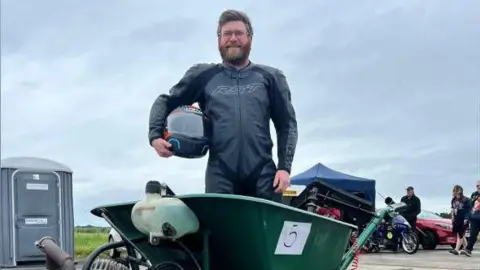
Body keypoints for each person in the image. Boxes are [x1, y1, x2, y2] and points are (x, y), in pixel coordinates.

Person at [148, 9, 298, 203]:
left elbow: (287, 124)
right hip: (220, 173)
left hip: (264, 174)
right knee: (219, 232)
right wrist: (155, 136)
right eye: (227, 34)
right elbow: (166, 101)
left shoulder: (271, 77)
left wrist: (284, 168)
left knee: (270, 231)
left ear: (249, 38)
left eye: (239, 33)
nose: (233, 38)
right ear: (219, 39)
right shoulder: (203, 75)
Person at [448, 185, 471, 255]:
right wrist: (452, 217)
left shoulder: (466, 199)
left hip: (463, 218)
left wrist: (466, 218)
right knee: (460, 233)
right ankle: (466, 248)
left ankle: (456, 249)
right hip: (456, 218)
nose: (454, 192)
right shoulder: (453, 199)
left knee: (461, 233)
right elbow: (452, 208)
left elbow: (468, 210)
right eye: (454, 190)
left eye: (456, 190)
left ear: (460, 191)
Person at [460, 180, 480, 257]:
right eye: (477, 185)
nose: (478, 187)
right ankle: (468, 249)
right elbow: (470, 206)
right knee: (472, 235)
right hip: (474, 218)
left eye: (479, 185)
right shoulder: (474, 194)